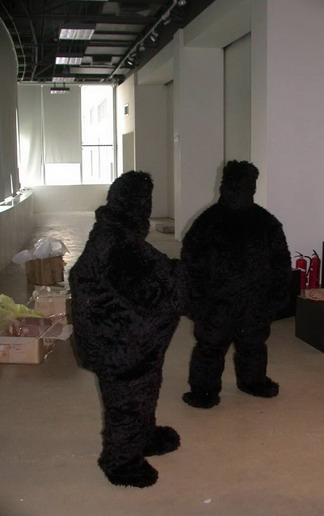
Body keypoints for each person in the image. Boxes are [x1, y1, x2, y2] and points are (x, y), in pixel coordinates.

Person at [69, 170, 185, 487]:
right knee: (127, 403)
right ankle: (121, 463)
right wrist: (186, 277)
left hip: (120, 342)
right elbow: (159, 289)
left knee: (143, 391)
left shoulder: (109, 234)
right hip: (121, 347)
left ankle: (144, 437)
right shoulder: (121, 246)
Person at [181, 160, 291, 409]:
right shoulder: (264, 222)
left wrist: (194, 300)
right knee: (236, 346)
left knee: (225, 346)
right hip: (234, 301)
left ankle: (217, 389)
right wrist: (276, 298)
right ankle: (234, 385)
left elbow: (190, 264)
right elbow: (282, 264)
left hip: (231, 302)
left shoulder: (208, 221)